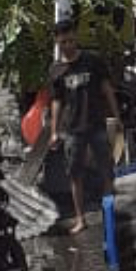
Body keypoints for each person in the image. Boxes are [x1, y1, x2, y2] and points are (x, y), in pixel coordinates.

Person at [49, 19, 121, 235]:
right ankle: (80, 219)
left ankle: (110, 214)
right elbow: (56, 101)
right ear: (57, 42)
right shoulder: (56, 70)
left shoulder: (92, 61)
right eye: (63, 42)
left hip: (97, 124)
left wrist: (116, 116)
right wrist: (54, 131)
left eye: (71, 40)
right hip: (72, 128)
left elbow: (107, 89)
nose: (68, 45)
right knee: (75, 174)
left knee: (107, 171)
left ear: (76, 37)